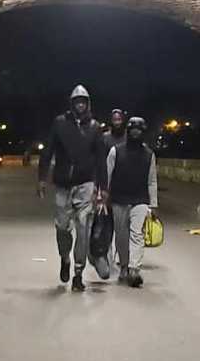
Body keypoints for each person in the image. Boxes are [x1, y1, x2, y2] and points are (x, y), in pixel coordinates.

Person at [38, 85, 109, 291]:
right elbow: (48, 150)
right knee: (62, 226)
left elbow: (101, 160)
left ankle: (78, 272)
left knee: (84, 227)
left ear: (88, 104)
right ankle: (64, 258)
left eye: (83, 102)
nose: (80, 105)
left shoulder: (95, 127)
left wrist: (102, 188)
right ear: (72, 103)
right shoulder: (60, 123)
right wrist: (42, 178)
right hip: (62, 183)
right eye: (77, 101)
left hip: (85, 183)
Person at [104, 115, 159, 288]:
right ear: (129, 131)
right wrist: (103, 197)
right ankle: (124, 267)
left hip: (140, 200)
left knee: (137, 234)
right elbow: (107, 176)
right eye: (133, 130)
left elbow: (152, 181)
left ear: (143, 133)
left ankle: (134, 269)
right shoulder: (116, 151)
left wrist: (153, 204)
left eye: (139, 130)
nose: (136, 133)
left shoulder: (149, 155)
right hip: (119, 200)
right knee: (121, 236)